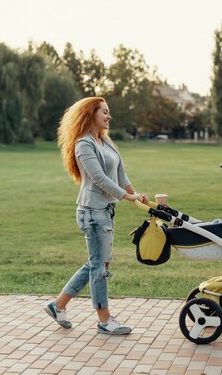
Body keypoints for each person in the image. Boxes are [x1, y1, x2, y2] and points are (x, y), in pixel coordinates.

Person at [44, 96, 148, 335]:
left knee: (97, 264)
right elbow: (99, 179)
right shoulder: (83, 144)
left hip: (106, 211)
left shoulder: (106, 142)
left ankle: (57, 305)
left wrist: (136, 195)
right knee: (99, 266)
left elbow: (121, 175)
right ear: (90, 114)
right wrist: (126, 197)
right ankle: (104, 319)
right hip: (92, 212)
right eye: (104, 112)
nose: (108, 116)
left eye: (109, 112)